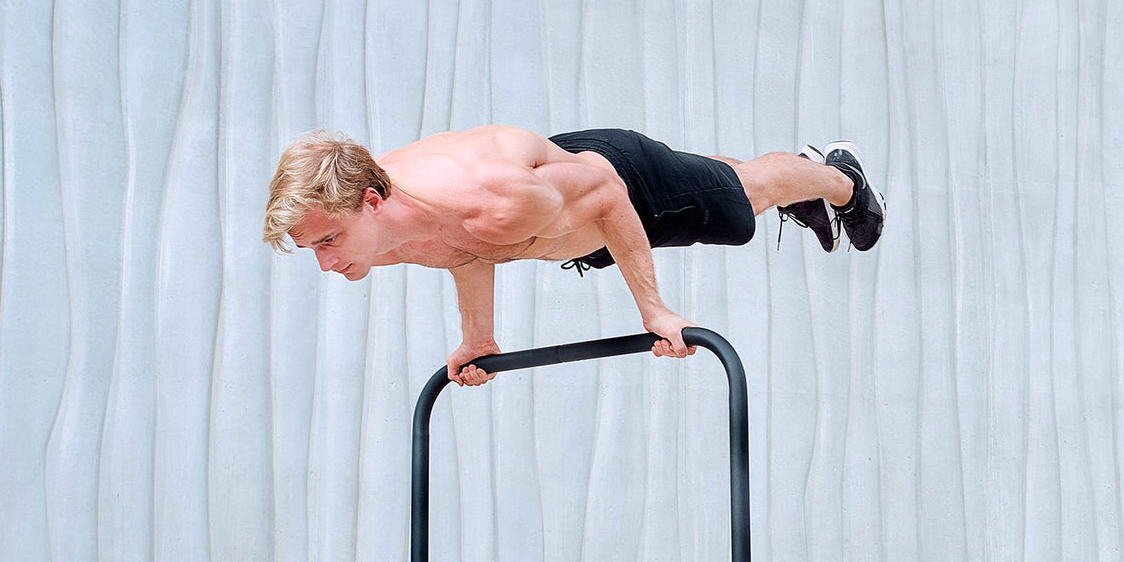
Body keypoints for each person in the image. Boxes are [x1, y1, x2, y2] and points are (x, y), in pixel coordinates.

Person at [263, 126, 884, 385]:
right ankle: (793, 190)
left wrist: (654, 311)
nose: (325, 264)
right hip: (564, 202)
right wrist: (478, 337)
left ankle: (838, 179)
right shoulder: (378, 229)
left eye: (327, 241)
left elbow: (608, 194)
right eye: (313, 247)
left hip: (623, 186)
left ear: (372, 202)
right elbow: (460, 247)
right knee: (720, 180)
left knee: (744, 194)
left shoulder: (491, 198)